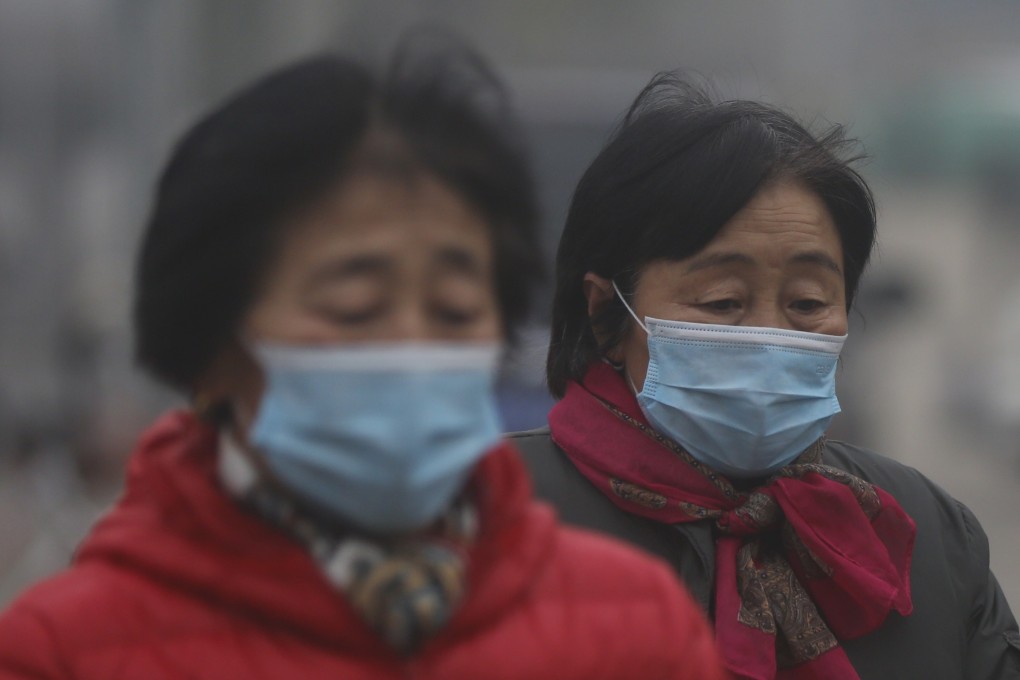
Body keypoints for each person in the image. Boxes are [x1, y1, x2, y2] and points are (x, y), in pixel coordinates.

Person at [0, 43, 728, 680]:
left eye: (453, 311)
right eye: (353, 309)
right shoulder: (65, 652)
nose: (411, 345)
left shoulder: (637, 627)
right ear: (212, 348)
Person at [511, 74, 1020, 680]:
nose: (768, 333)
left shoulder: (923, 537)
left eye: (807, 304)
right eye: (722, 301)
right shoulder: (492, 524)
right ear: (605, 316)